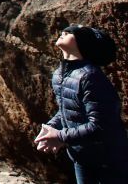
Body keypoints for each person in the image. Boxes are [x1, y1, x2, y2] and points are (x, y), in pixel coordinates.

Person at [35, 24, 128, 183]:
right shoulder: (59, 74)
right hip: (81, 156)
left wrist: (60, 136)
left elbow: (100, 126)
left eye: (71, 32)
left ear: (83, 44)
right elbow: (66, 109)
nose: (64, 31)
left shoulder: (90, 77)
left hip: (108, 159)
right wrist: (50, 128)